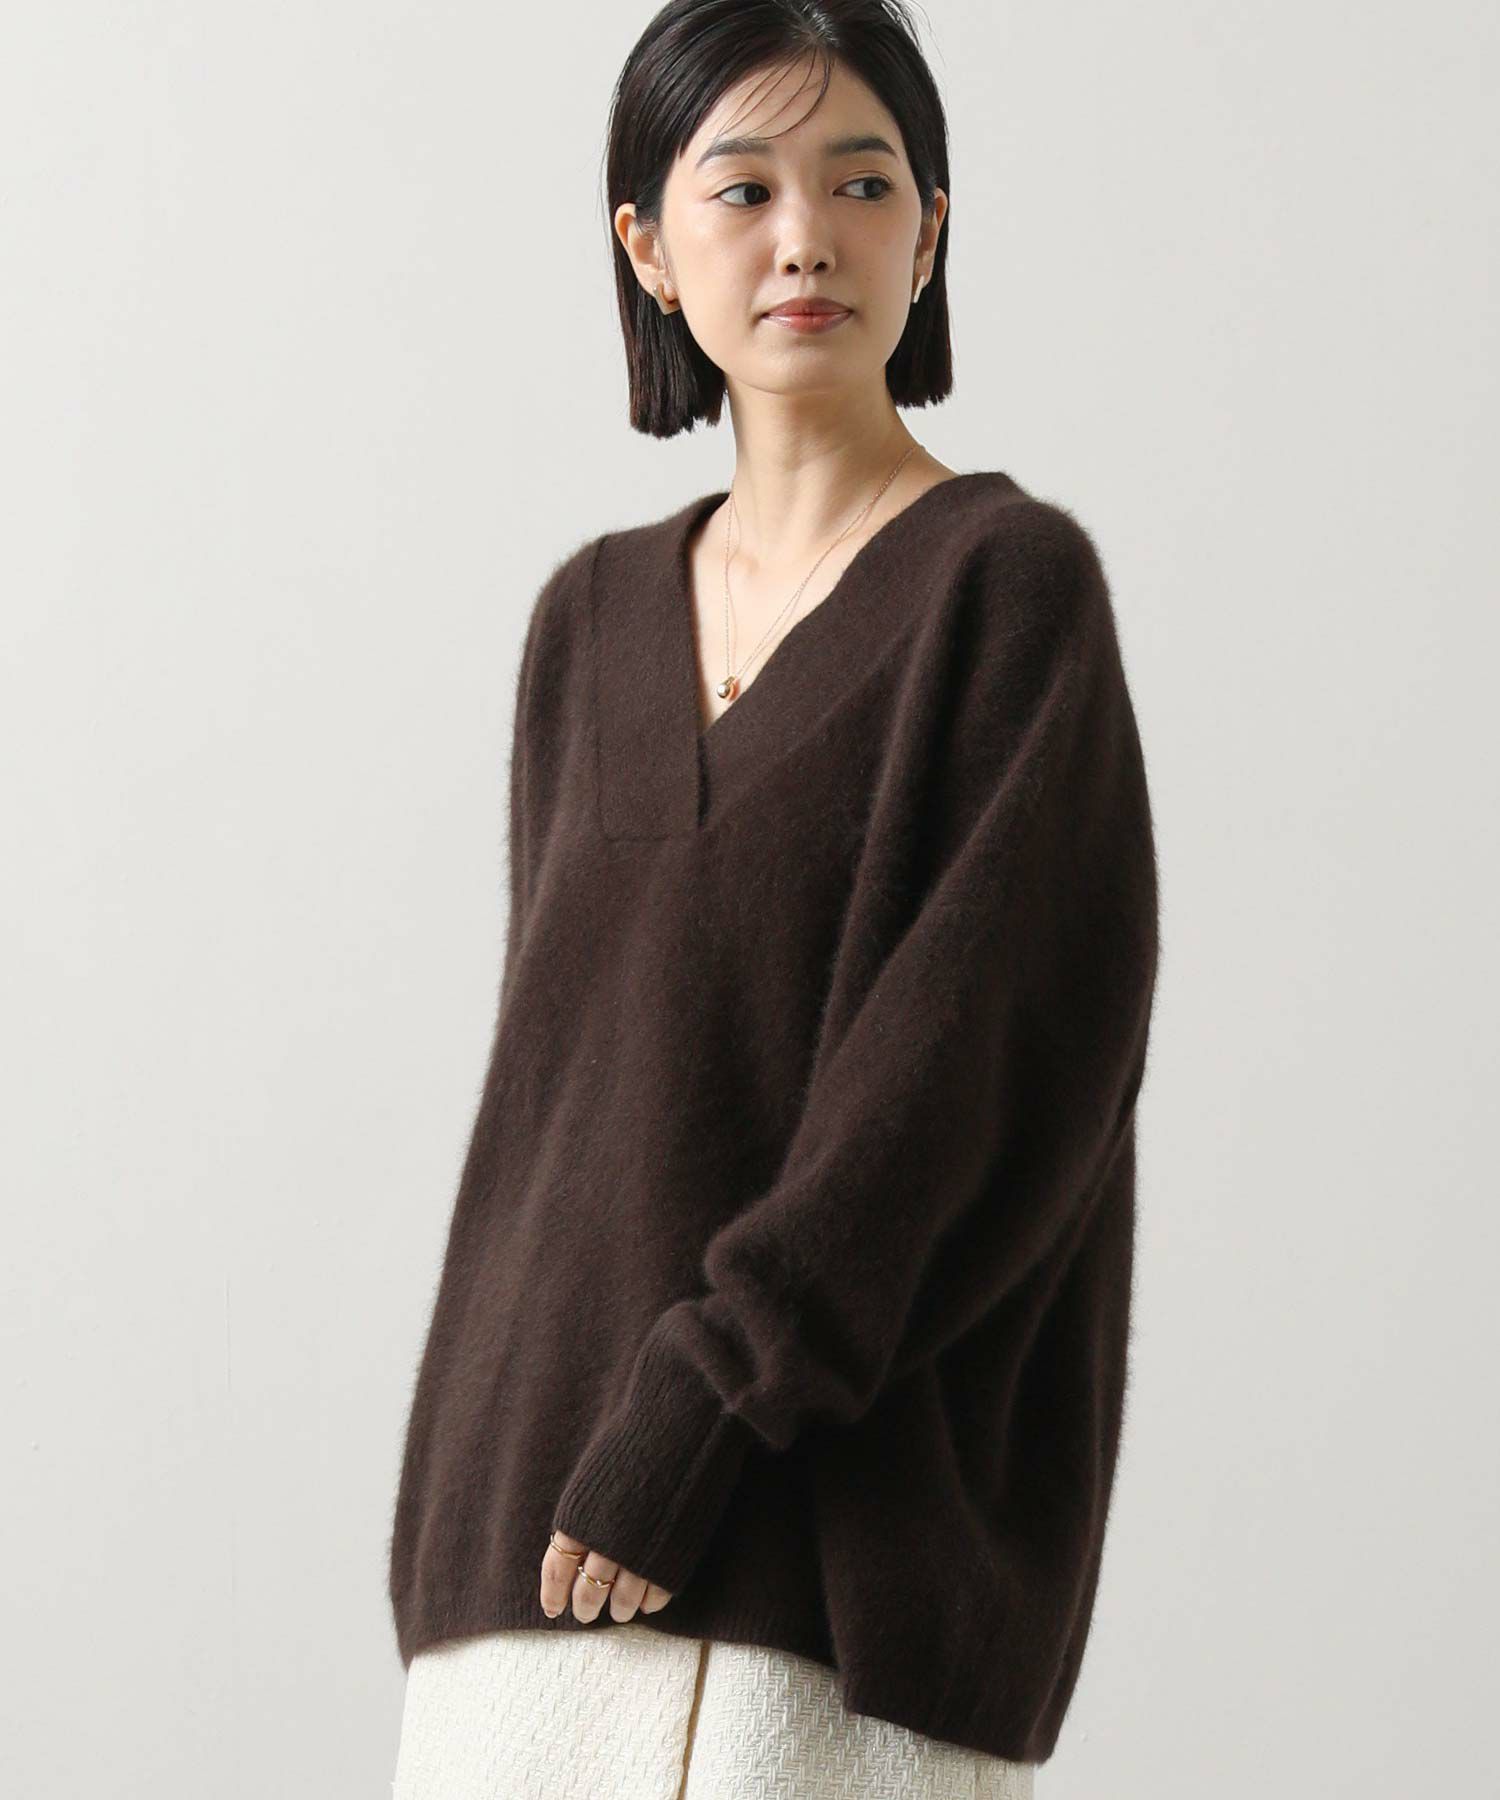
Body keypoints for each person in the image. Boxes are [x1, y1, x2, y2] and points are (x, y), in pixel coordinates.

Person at [388, 4, 1161, 1795]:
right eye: (742, 189)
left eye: (862, 184)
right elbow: (561, 1110)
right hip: (527, 1544)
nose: (806, 235)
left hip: (822, 1565)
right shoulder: (586, 621)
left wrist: (708, 1397)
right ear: (649, 248)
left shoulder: (1004, 593)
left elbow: (968, 1084)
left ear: (930, 232)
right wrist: (491, 1483)